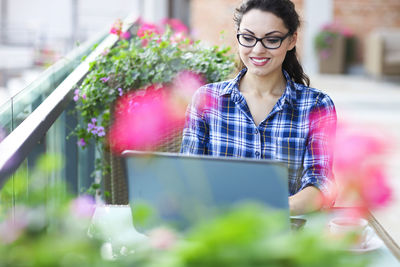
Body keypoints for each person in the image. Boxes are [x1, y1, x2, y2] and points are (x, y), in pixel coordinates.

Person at [180, 0, 337, 215]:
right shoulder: (206, 100)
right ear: (238, 36)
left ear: (292, 40)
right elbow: (188, 178)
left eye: (272, 40)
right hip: (218, 231)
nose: (258, 49)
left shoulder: (317, 106)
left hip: (285, 235)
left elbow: (321, 183)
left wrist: (270, 211)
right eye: (248, 38)